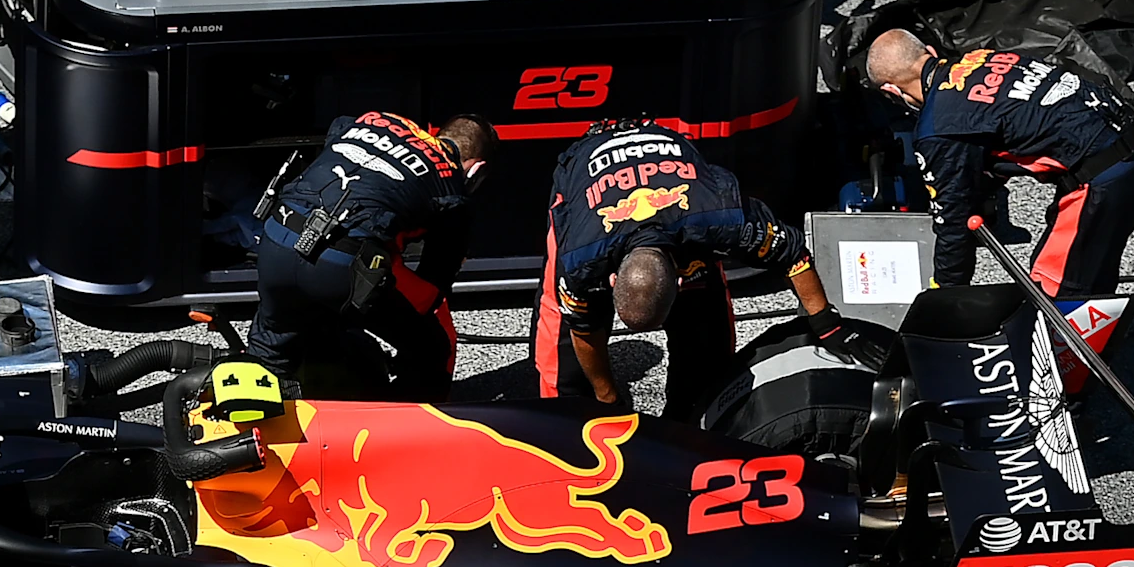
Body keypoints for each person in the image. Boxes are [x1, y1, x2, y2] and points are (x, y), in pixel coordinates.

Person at [538, 117, 841, 420]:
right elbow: (582, 326)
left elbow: (791, 252)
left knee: (706, 362)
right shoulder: (581, 257)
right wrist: (607, 397)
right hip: (588, 163)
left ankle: (690, 428)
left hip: (679, 188)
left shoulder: (723, 219)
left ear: (682, 281)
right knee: (566, 374)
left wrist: (827, 323)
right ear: (612, 279)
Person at [869, 30, 1134, 301]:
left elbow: (954, 224)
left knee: (1055, 294)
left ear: (893, 91)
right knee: (1087, 275)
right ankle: (1094, 341)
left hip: (1106, 176)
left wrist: (945, 297)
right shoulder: (982, 57)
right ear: (930, 51)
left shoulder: (938, 127)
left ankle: (1068, 354)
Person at [243, 112, 492, 402]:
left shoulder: (377, 119)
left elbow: (338, 124)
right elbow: (428, 294)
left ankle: (253, 422)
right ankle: (402, 430)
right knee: (430, 347)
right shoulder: (453, 190)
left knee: (271, 344)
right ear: (475, 169)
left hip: (276, 237)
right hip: (340, 265)